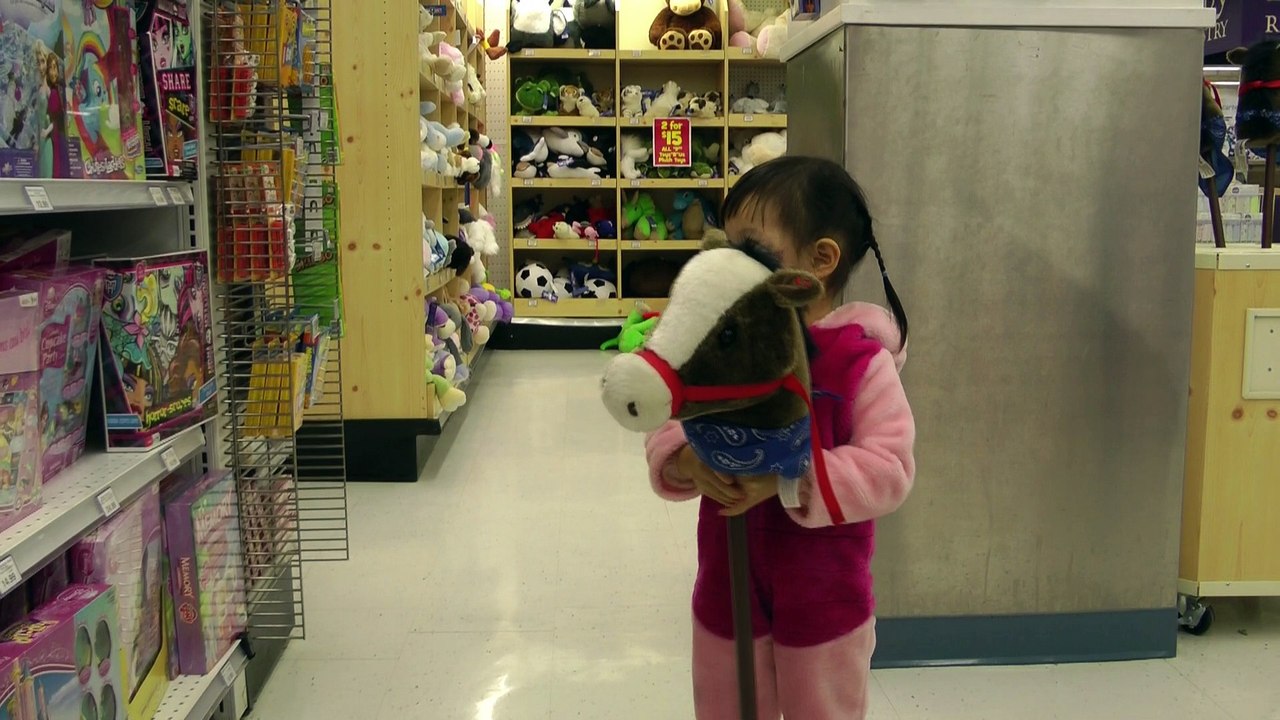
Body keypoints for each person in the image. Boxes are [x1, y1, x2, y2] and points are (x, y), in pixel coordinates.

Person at [643, 156, 916, 720]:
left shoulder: (861, 363)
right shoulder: (721, 338)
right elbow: (671, 413)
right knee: (726, 704)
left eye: (751, 248)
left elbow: (890, 468)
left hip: (825, 599)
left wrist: (791, 480)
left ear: (820, 260)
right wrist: (687, 461)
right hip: (727, 588)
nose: (729, 262)